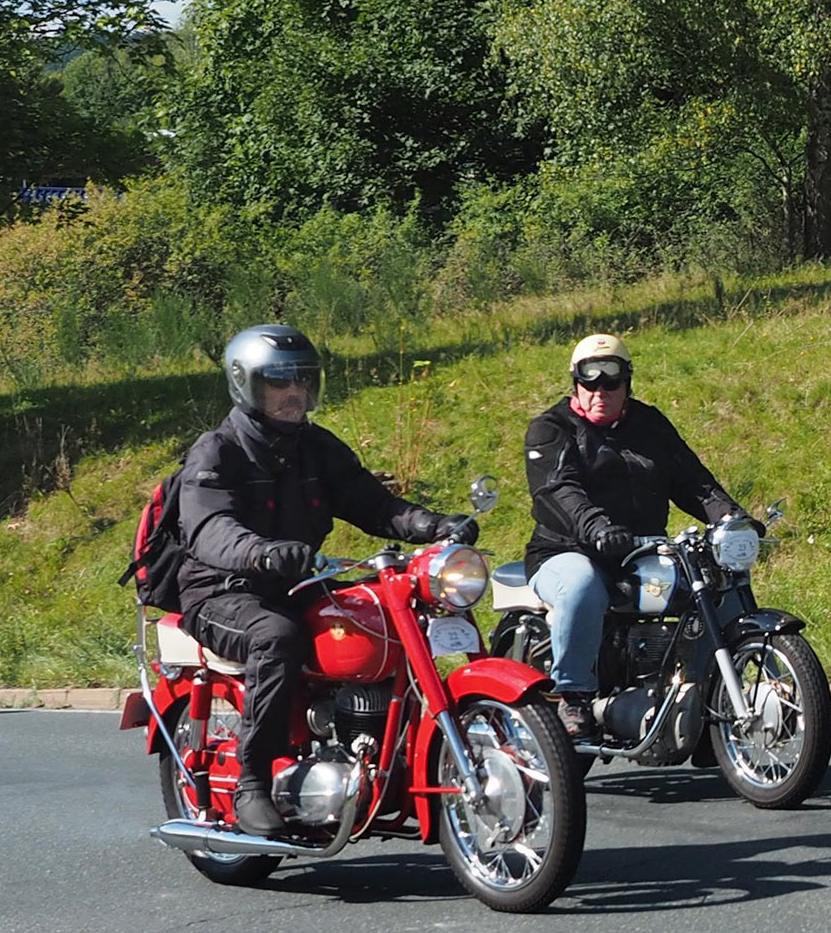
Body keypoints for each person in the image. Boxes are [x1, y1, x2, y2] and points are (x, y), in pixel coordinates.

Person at [175, 324, 478, 836]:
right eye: (278, 381)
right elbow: (209, 529)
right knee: (277, 635)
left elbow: (372, 502)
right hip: (223, 590)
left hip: (300, 579)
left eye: (303, 380)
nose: (294, 392)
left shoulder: (316, 446)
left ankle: (379, 753)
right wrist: (261, 553)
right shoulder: (217, 450)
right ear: (245, 383)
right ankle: (253, 781)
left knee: (377, 616)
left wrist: (433, 526)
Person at [522, 333, 761, 739]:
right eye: (589, 382)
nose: (600, 392)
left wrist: (732, 518)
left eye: (610, 383)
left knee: (707, 581)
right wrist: (597, 528)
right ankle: (574, 695)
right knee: (582, 585)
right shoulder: (550, 429)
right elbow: (559, 492)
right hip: (566, 551)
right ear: (575, 383)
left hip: (643, 550)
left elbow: (694, 483)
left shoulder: (649, 424)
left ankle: (701, 688)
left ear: (626, 382)